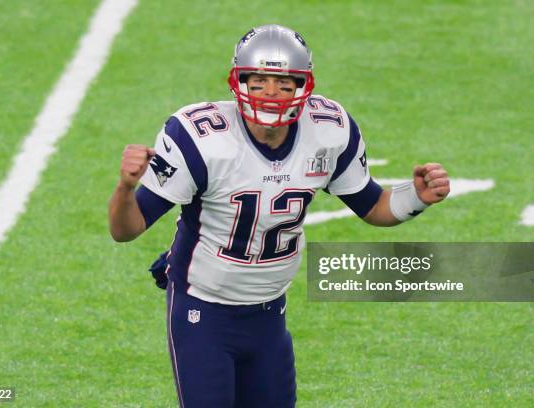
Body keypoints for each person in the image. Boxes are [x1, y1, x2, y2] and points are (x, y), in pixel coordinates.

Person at [108, 24, 450, 408]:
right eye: (259, 82)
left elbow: (373, 206)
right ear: (239, 82)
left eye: (284, 84)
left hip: (270, 314)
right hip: (202, 311)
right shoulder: (201, 137)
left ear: (304, 86)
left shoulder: (329, 131)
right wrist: (125, 188)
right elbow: (127, 229)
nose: (271, 94)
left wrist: (416, 197)